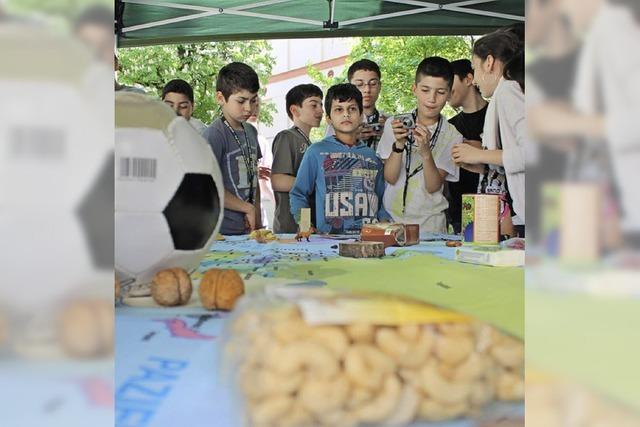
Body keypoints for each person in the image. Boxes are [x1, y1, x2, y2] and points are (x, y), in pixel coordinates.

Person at [451, 30, 526, 237]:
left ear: (489, 62)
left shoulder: (509, 90)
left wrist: (479, 155)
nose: (474, 79)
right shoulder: (510, 90)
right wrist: (483, 164)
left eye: (474, 68)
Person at [377, 57, 461, 235]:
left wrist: (426, 153)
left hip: (431, 226)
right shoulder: (395, 124)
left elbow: (433, 187)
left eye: (440, 92)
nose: (431, 98)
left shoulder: (452, 135)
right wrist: (398, 145)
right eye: (425, 90)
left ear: (449, 94)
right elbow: (390, 178)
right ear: (414, 89)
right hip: (391, 223)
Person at [290, 83, 388, 234]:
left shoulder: (372, 157)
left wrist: (386, 225)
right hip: (328, 241)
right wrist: (304, 225)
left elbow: (381, 201)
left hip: (368, 239)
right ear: (329, 118)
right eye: (338, 109)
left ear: (361, 115)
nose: (346, 114)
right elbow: (299, 193)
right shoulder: (316, 152)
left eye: (352, 109)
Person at [202, 62, 262, 235]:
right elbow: (208, 187)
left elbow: (254, 177)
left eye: (253, 100)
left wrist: (255, 212)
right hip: (221, 232)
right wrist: (247, 208)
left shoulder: (251, 131)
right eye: (241, 101)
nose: (248, 108)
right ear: (220, 98)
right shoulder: (214, 134)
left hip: (248, 229)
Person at [271, 84, 324, 233]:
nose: (320, 110)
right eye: (313, 105)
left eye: (321, 104)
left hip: (306, 224)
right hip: (290, 226)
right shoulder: (286, 137)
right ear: (294, 110)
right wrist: (319, 183)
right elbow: (278, 181)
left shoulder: (311, 145)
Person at [446, 59, 488, 233]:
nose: (445, 89)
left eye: (449, 80)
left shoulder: (498, 116)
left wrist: (482, 154)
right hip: (461, 217)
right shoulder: (449, 127)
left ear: (469, 79)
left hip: (499, 210)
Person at [326, 59, 388, 150]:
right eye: (359, 84)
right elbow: (326, 154)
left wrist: (389, 134)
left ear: (380, 86)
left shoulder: (388, 122)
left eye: (373, 83)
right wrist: (349, 137)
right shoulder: (338, 122)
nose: (367, 89)